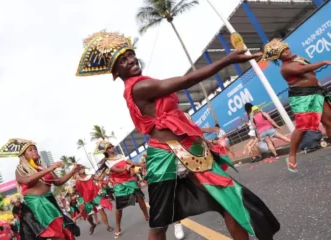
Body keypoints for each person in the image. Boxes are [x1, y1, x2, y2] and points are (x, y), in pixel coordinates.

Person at [76, 31, 280, 240]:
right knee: (160, 224)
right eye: (122, 60)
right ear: (116, 72)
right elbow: (186, 80)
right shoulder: (139, 87)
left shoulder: (140, 83)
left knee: (228, 202)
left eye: (130, 54)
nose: (130, 60)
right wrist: (226, 60)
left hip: (185, 151)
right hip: (167, 157)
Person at [262, 38, 331, 172]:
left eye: (286, 49)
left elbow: (310, 73)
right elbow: (304, 70)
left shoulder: (298, 59)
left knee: (329, 121)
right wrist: (323, 61)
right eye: (283, 52)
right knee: (303, 127)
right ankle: (292, 154)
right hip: (301, 96)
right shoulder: (285, 68)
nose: (287, 52)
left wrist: (317, 84)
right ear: (278, 57)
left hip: (316, 92)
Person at [0, 138, 80, 240]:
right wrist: (50, 169)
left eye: (35, 149)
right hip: (36, 203)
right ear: (23, 155)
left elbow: (58, 182)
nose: (34, 150)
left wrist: (73, 171)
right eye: (30, 150)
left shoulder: (43, 166)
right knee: (56, 233)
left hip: (50, 200)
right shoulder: (21, 169)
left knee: (65, 231)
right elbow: (28, 181)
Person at [95, 140, 149, 239]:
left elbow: (132, 162)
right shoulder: (107, 162)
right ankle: (118, 227)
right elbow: (116, 170)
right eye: (110, 147)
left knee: (140, 197)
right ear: (106, 151)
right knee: (119, 208)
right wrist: (126, 168)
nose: (112, 148)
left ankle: (147, 216)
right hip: (119, 185)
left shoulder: (120, 156)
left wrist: (141, 165)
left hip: (130, 181)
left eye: (112, 146)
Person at [74, 166, 114, 235]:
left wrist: (104, 170)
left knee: (101, 211)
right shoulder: (78, 180)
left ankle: (107, 226)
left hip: (95, 196)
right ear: (77, 171)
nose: (81, 169)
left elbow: (99, 179)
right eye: (79, 169)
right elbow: (79, 190)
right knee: (89, 216)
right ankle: (92, 225)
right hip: (86, 199)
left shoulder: (90, 176)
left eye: (82, 167)